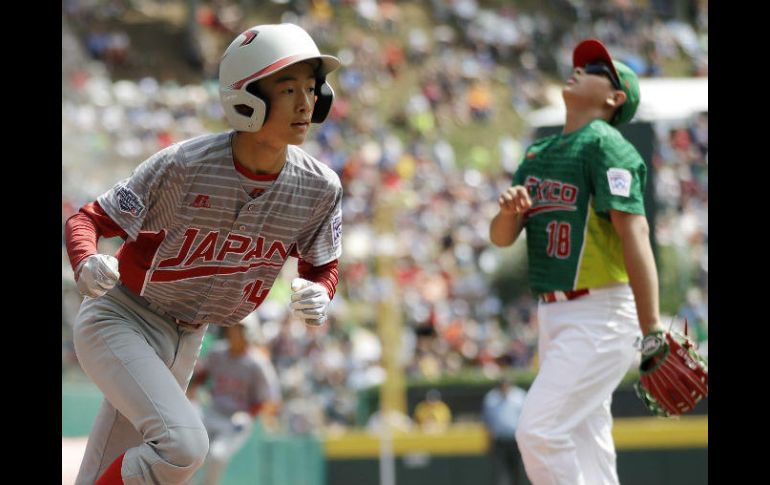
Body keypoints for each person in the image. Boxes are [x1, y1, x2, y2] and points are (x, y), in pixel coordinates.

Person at [64, 23, 343, 485]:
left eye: (313, 90)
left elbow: (323, 265)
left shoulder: (318, 188)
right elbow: (87, 221)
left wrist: (321, 290)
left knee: (111, 471)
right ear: (246, 96)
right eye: (289, 88)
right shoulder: (183, 166)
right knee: (183, 447)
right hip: (123, 319)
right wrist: (86, 258)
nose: (305, 103)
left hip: (190, 339)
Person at [489, 38, 658, 485]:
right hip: (556, 315)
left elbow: (635, 233)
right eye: (582, 63)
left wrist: (652, 325)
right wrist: (508, 214)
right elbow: (502, 238)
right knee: (586, 438)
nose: (580, 68)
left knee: (539, 431)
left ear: (614, 97)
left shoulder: (607, 145)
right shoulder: (538, 154)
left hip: (600, 312)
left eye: (598, 67)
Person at [186, 314, 281, 485]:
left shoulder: (257, 363)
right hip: (211, 412)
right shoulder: (218, 352)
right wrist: (192, 393)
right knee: (189, 446)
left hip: (235, 420)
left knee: (217, 456)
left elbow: (268, 399)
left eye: (240, 329)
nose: (235, 333)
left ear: (249, 333)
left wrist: (250, 415)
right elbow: (201, 375)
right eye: (233, 328)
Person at [481, 377, 527, 485]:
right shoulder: (491, 398)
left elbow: (527, 418)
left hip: (517, 440)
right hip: (499, 441)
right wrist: (488, 440)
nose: (504, 388)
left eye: (507, 385)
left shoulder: (520, 396)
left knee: (519, 472)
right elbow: (487, 420)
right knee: (500, 473)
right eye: (502, 386)